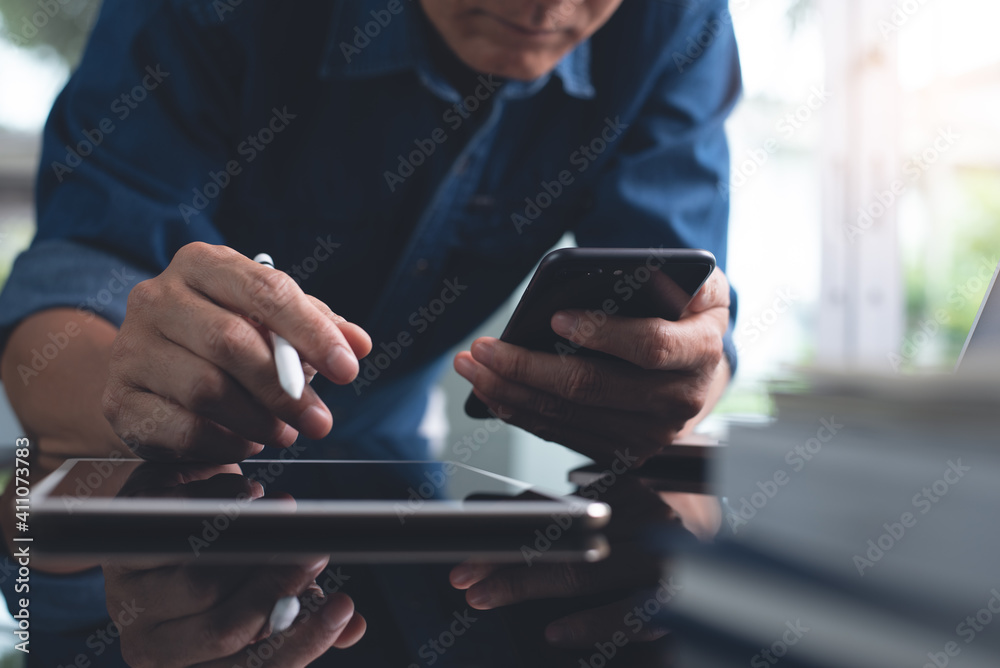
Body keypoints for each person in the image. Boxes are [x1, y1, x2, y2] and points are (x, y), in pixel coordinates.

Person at [0, 0, 742, 664]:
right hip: (142, 505)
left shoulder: (677, 22)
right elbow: (70, 291)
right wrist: (129, 385)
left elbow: (689, 322)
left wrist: (688, 379)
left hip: (401, 462)